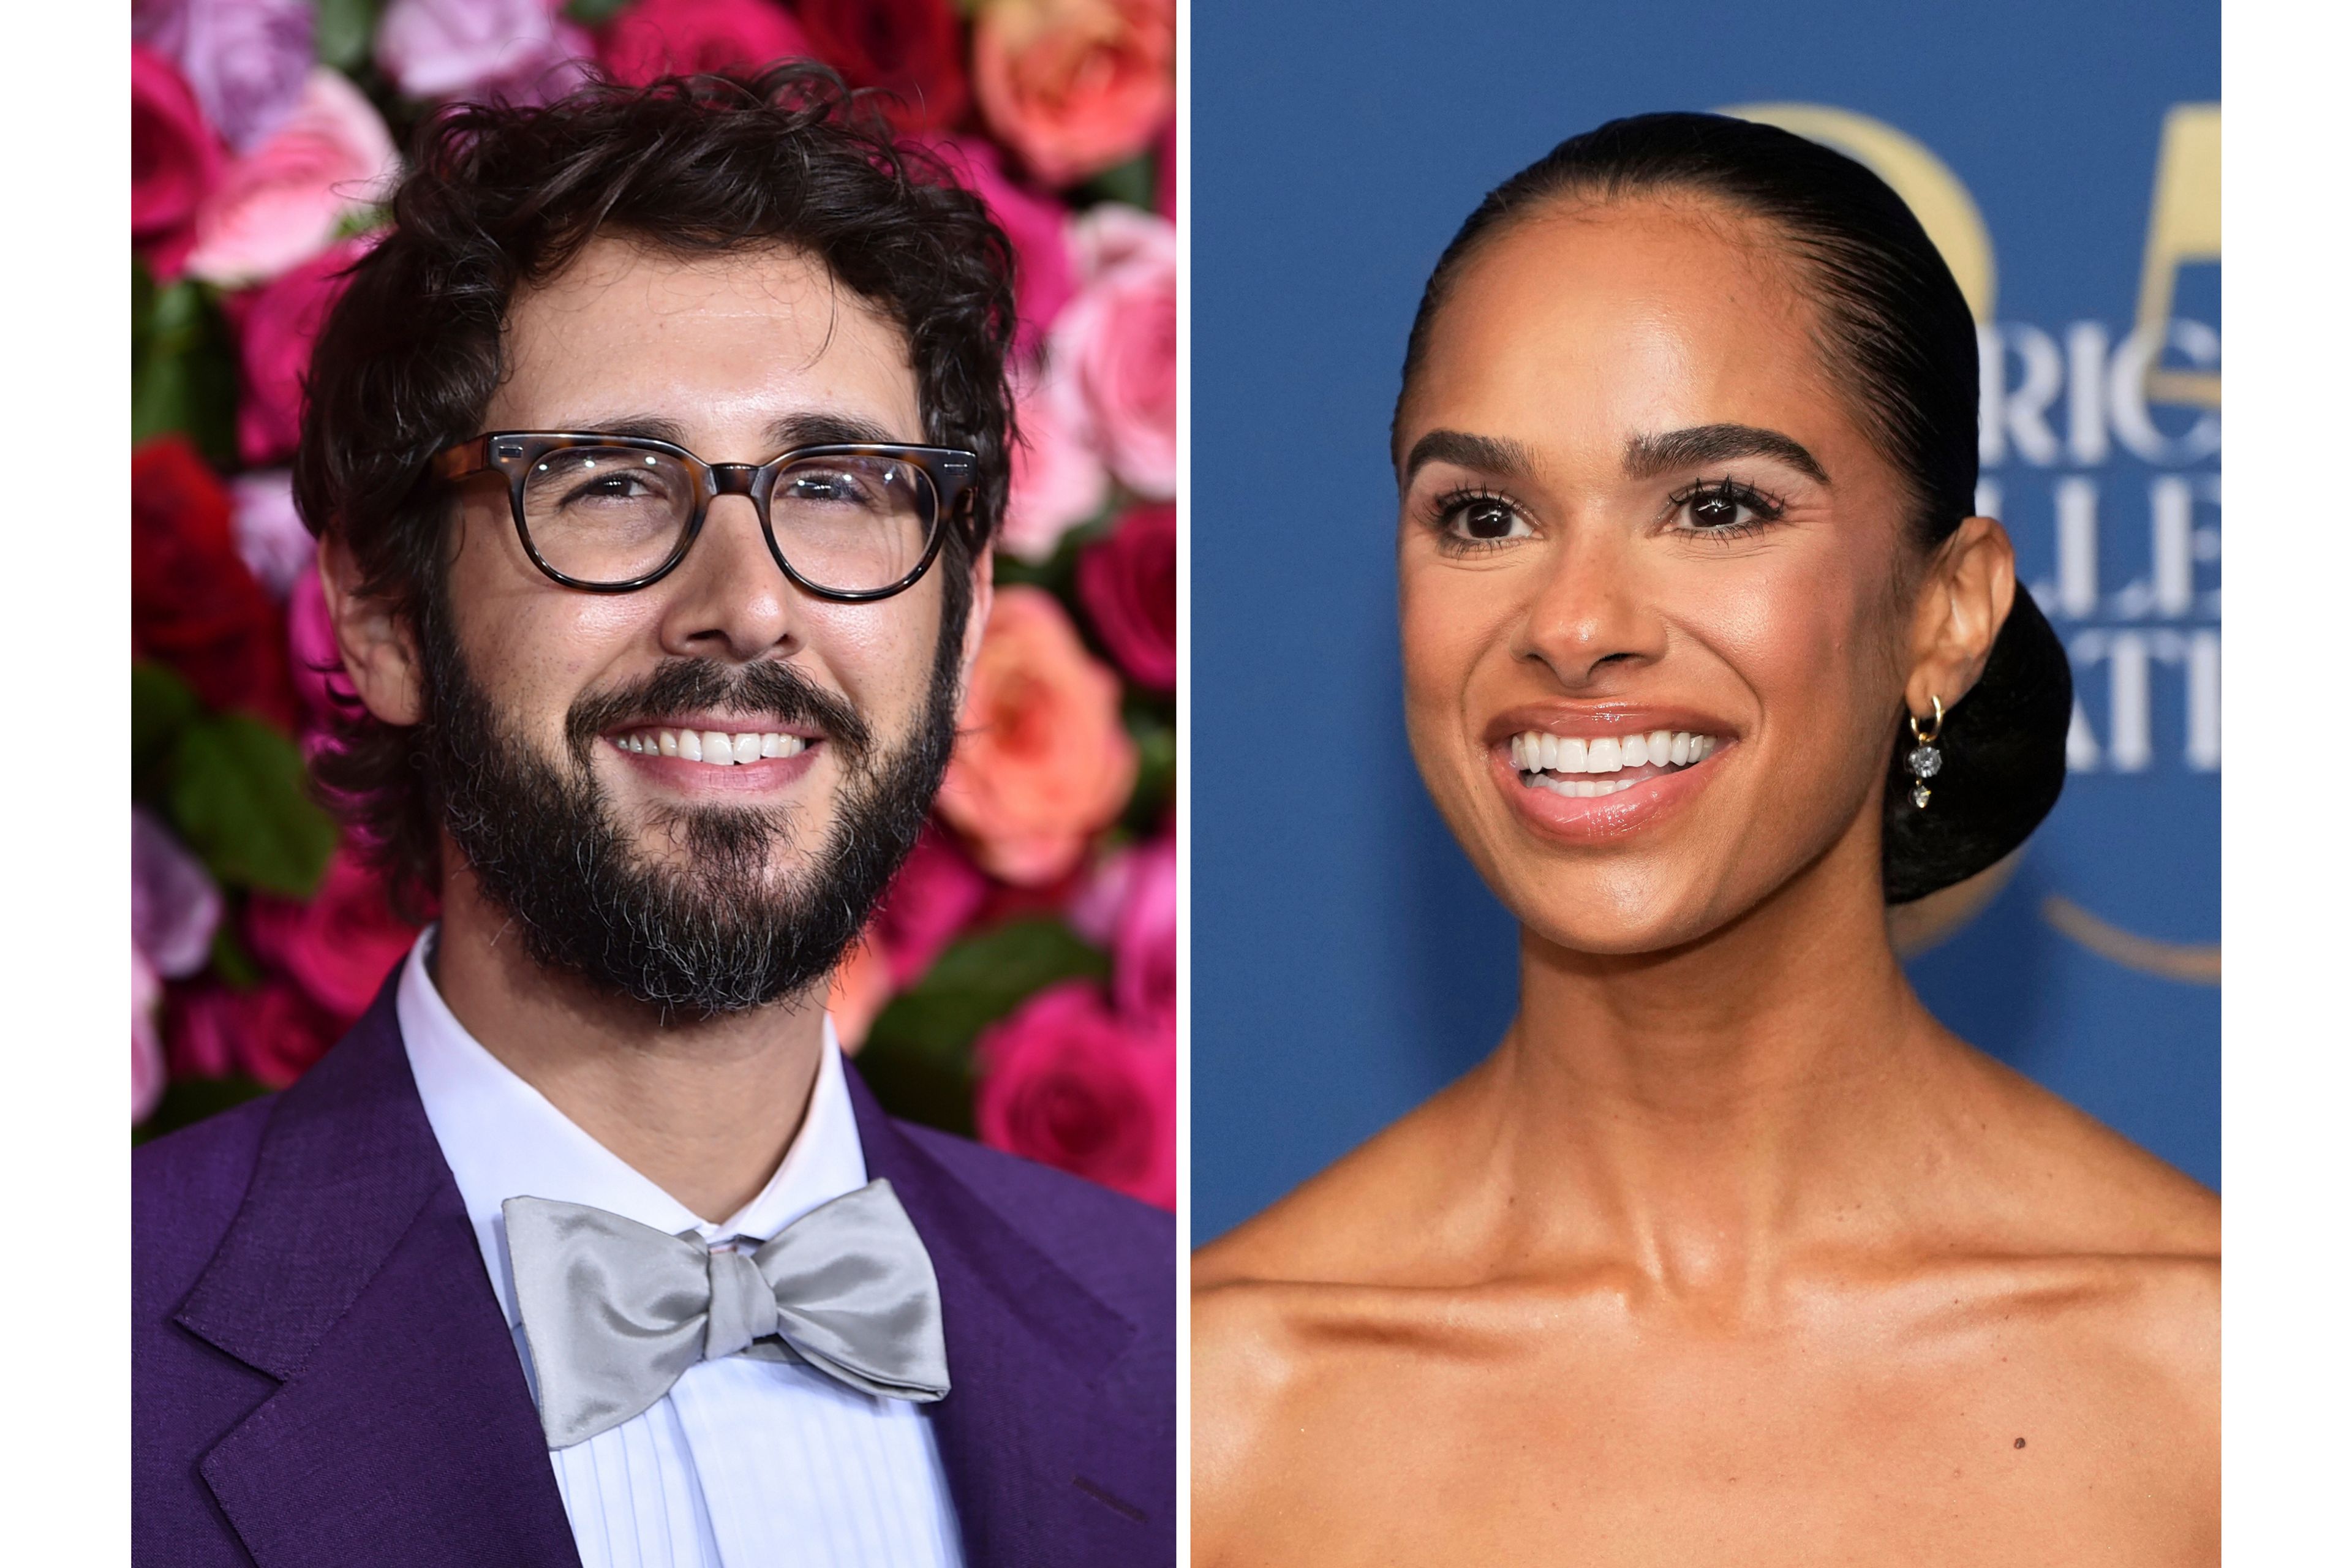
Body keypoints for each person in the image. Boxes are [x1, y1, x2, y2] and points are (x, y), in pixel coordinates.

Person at [134, 67, 1172, 1568]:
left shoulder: (1176, 1348)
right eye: (611, 482)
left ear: (968, 615)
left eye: (841, 484)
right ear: (382, 615)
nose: (746, 603)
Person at [1193, 113, 2215, 1564]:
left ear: (1947, 613)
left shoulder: (2231, 1386)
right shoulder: (1216, 1416)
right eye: (1484, 515)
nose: (1574, 623)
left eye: (1716, 504)